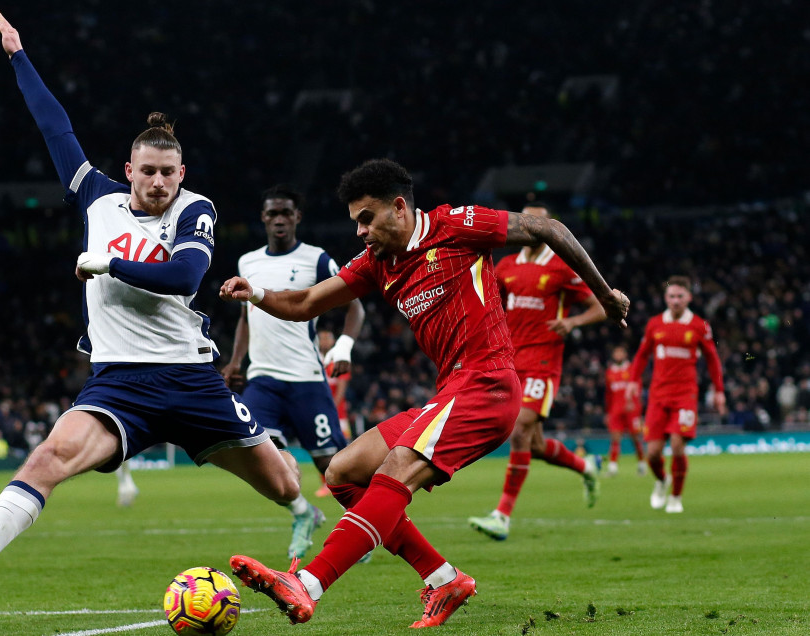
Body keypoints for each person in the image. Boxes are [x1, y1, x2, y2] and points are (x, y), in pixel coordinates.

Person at [0, 11, 310, 594]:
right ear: (128, 170)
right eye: (147, 171)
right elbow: (55, 127)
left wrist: (107, 263)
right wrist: (17, 54)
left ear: (182, 174)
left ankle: (308, 513)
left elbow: (185, 277)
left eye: (167, 173)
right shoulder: (96, 197)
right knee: (49, 456)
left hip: (191, 379)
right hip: (119, 382)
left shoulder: (193, 209)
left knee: (283, 486)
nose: (157, 182)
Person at [219, 159, 628, 628]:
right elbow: (306, 303)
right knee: (343, 472)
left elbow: (549, 228)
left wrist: (605, 295)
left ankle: (307, 583)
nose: (360, 231)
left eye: (366, 218)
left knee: (397, 468)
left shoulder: (456, 226)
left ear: (398, 207)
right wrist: (256, 294)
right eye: (355, 221)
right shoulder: (377, 263)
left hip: (487, 383)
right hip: (450, 391)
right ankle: (442, 577)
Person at [220, 184, 364, 555]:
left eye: (286, 213)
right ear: (264, 219)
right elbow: (246, 318)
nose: (279, 219)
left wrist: (344, 345)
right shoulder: (248, 262)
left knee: (333, 467)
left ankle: (364, 529)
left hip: (307, 379)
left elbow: (354, 305)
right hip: (263, 380)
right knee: (262, 459)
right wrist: (236, 361)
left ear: (297, 217)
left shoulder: (316, 260)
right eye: (272, 213)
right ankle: (303, 513)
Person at [468, 203, 607, 541]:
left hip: (544, 363)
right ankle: (587, 467)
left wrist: (572, 321)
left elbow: (599, 307)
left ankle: (502, 515)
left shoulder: (561, 267)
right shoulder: (506, 265)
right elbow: (492, 305)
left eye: (537, 221)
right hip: (510, 360)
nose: (528, 226)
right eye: (524, 220)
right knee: (536, 445)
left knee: (519, 431)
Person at [628, 276, 725, 513]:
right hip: (658, 395)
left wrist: (718, 390)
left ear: (689, 297)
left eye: (680, 296)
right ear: (665, 298)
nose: (676, 300)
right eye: (671, 296)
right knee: (652, 453)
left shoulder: (700, 325)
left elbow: (712, 359)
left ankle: (676, 497)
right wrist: (633, 379)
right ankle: (662, 480)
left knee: (678, 446)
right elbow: (642, 354)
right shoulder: (654, 324)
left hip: (685, 396)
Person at [316, 329, 354, 497]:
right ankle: (325, 484)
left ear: (333, 341)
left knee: (343, 448)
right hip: (319, 412)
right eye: (321, 338)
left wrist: (331, 408)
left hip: (338, 414)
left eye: (327, 338)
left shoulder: (338, 360)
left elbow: (341, 388)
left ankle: (348, 480)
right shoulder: (314, 360)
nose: (324, 341)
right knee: (322, 447)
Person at [603, 345, 646, 476]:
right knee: (615, 438)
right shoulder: (610, 372)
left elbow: (638, 388)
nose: (618, 355)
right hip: (616, 410)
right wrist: (608, 412)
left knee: (635, 438)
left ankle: (641, 464)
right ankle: (612, 467)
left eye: (621, 352)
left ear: (625, 354)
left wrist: (637, 408)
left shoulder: (632, 368)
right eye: (616, 352)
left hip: (631, 410)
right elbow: (609, 394)